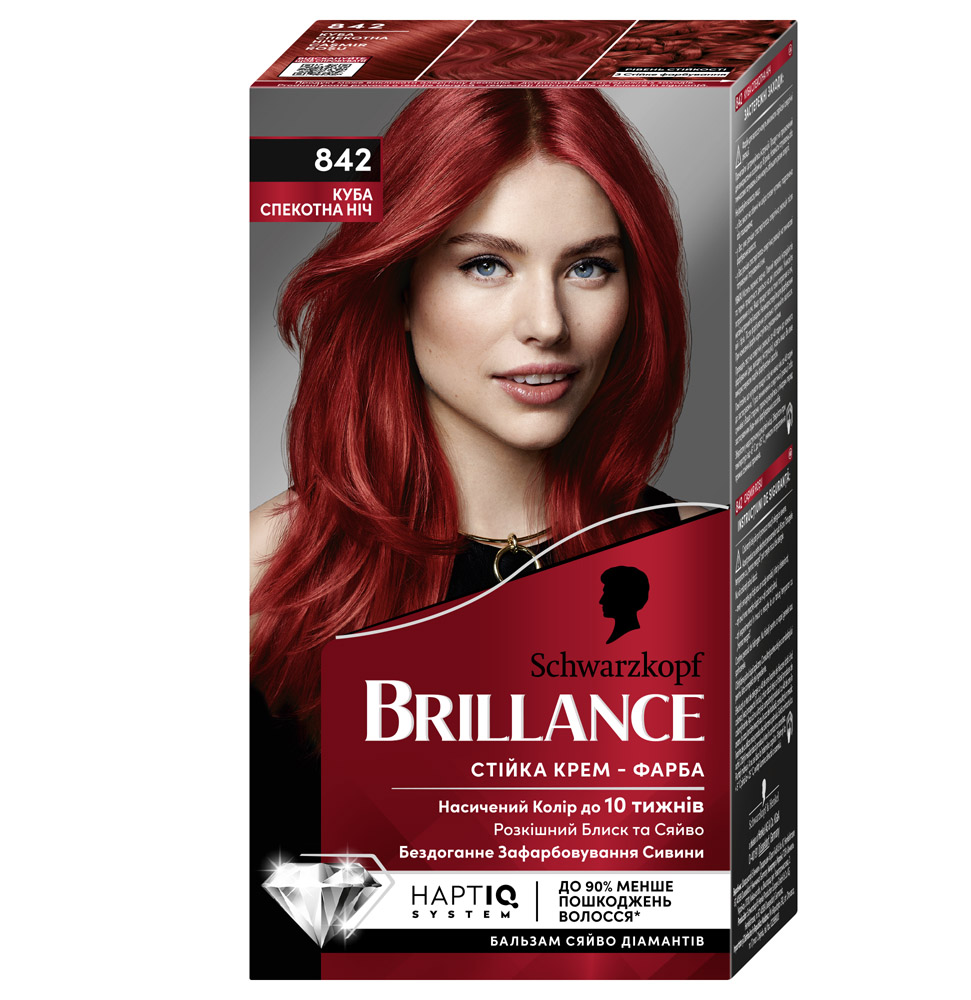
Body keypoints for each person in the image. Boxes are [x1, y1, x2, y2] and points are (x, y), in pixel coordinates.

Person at [251, 87, 700, 738]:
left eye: (588, 267)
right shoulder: (265, 572)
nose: (547, 324)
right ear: (399, 287)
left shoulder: (696, 555)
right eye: (487, 265)